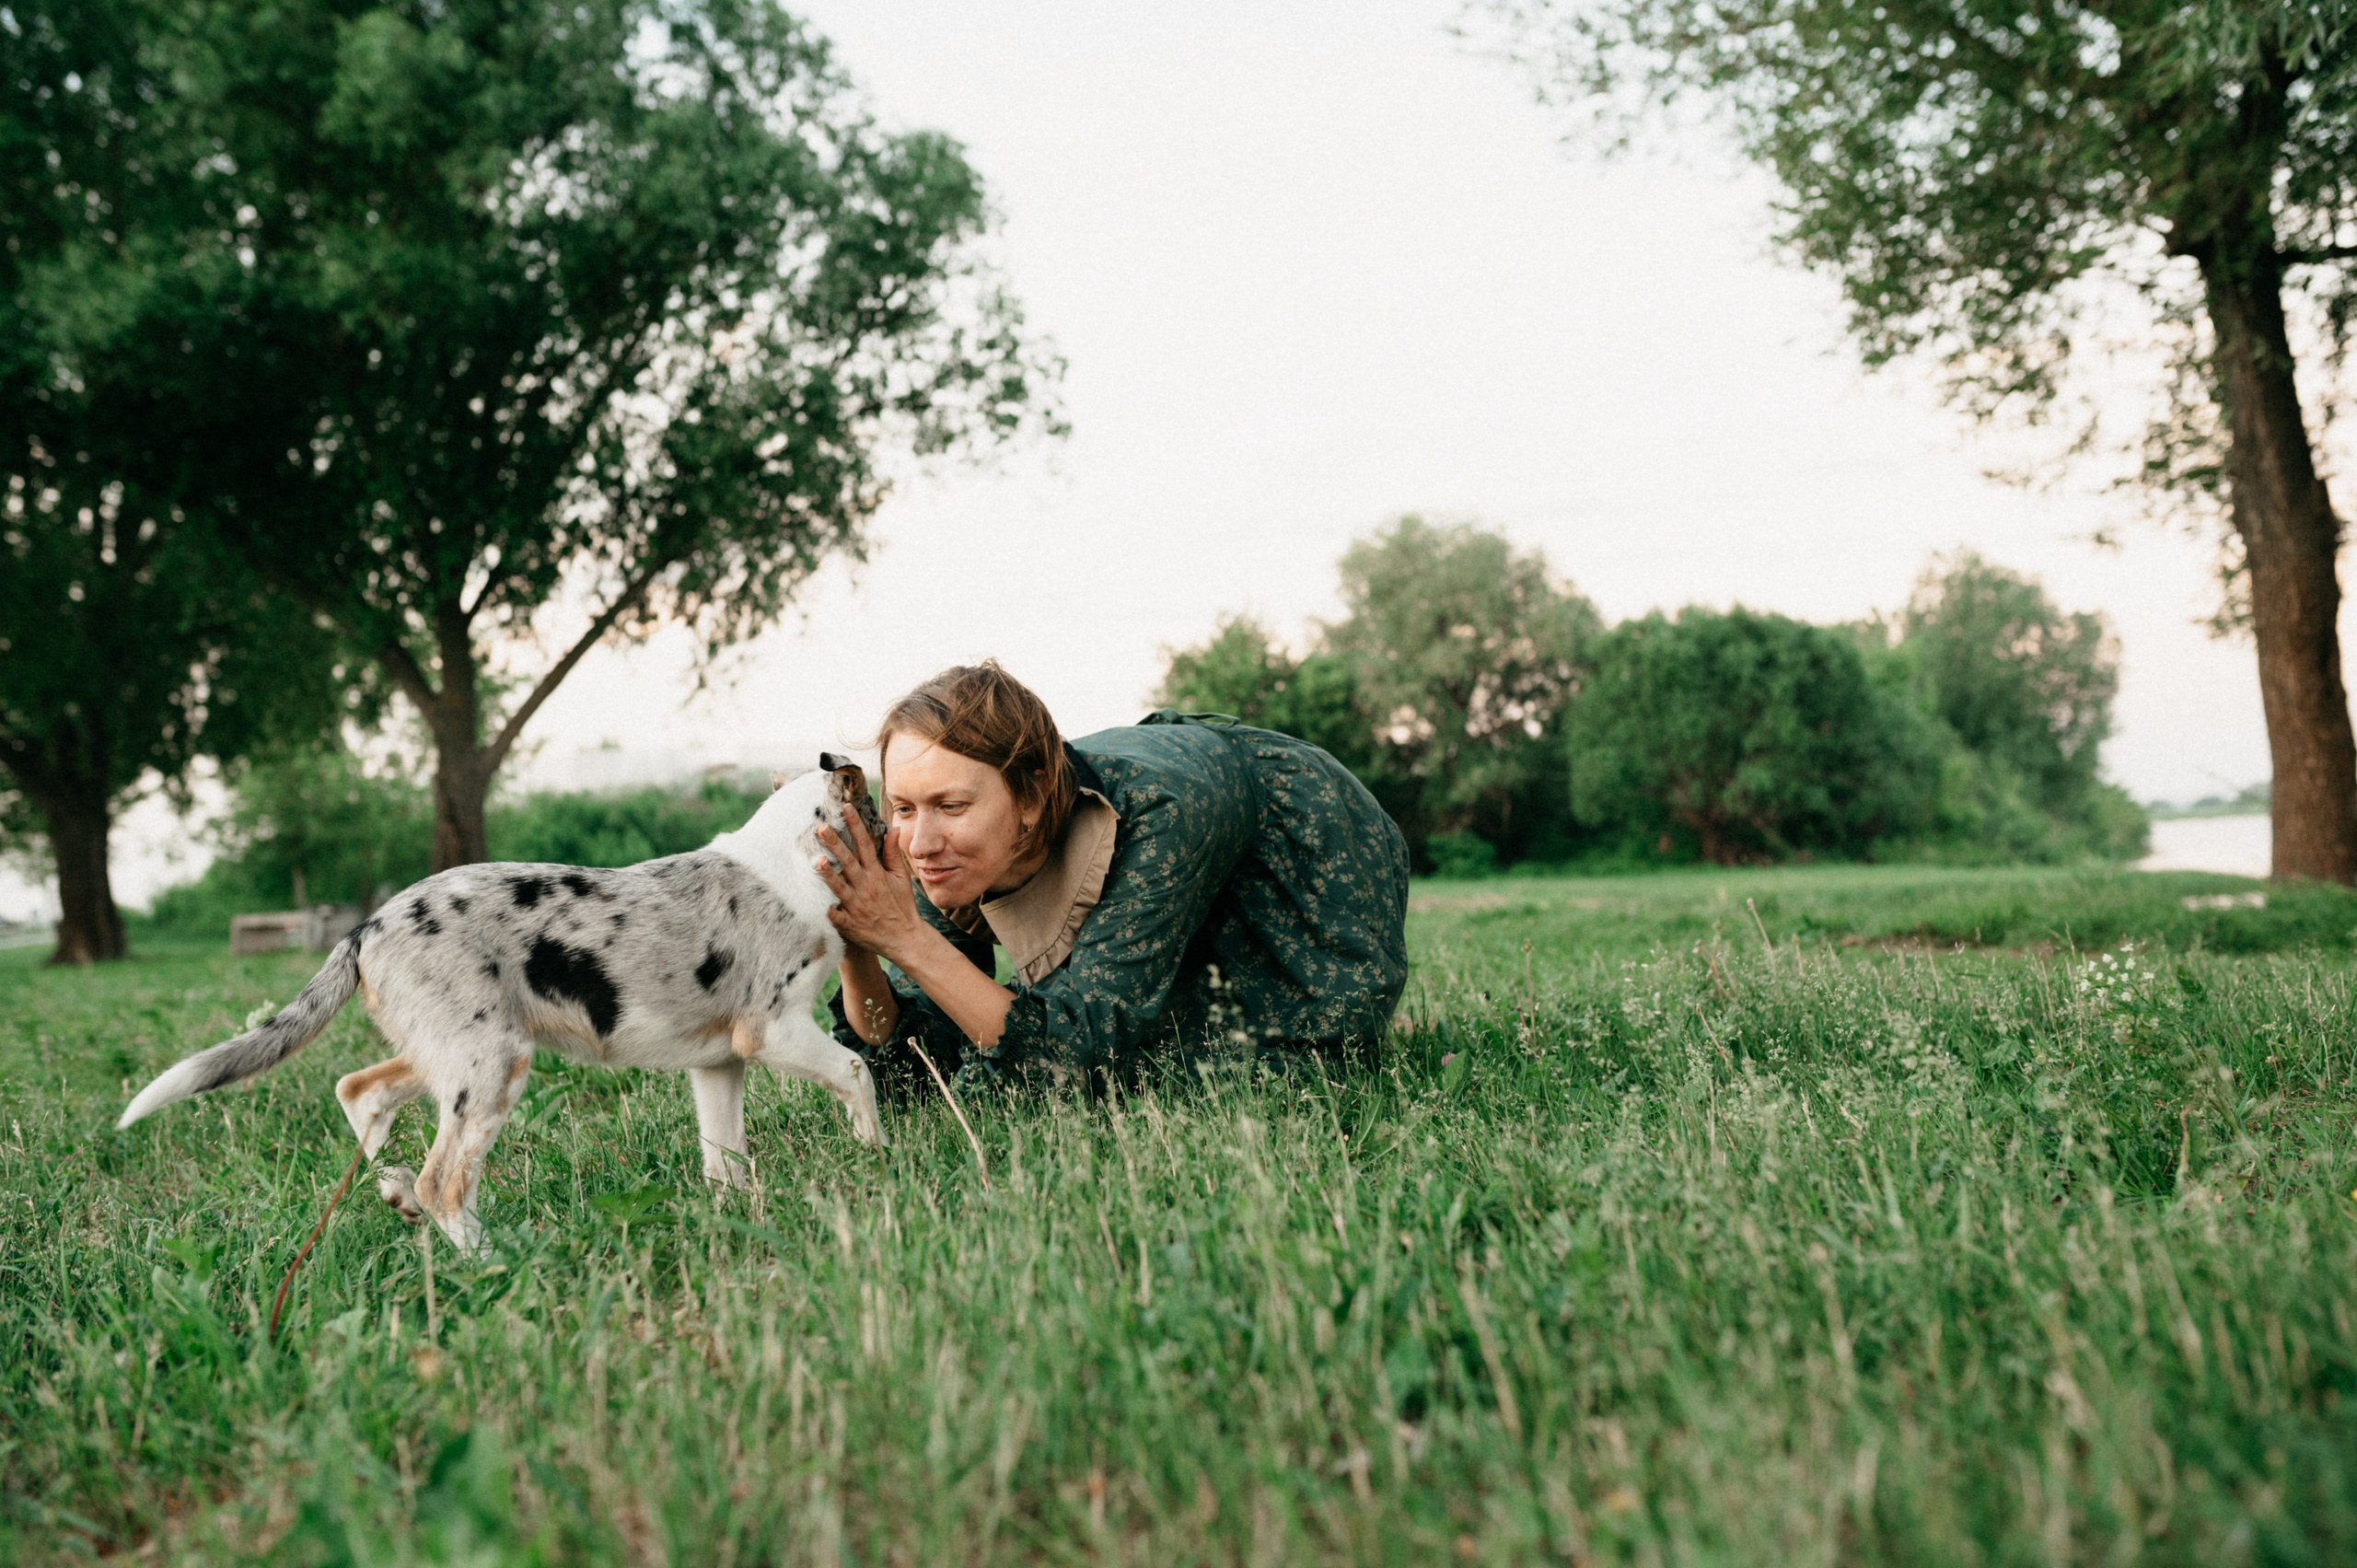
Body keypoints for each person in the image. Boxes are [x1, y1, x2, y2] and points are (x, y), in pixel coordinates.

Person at [816, 661, 1410, 1090]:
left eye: (951, 806)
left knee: (1177, 1067)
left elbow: (1067, 1066)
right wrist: (859, 946)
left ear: (1028, 800)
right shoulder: (933, 845)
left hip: (1302, 856)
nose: (920, 842)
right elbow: (918, 1063)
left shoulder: (1162, 815)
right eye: (904, 807)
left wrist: (909, 940)